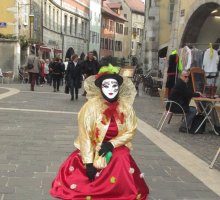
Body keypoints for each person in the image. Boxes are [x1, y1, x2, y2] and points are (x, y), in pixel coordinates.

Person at [50, 64, 149, 199]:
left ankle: (119, 191)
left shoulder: (125, 107)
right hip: (93, 147)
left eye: (114, 86)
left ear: (119, 88)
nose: (111, 89)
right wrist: (89, 163)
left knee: (121, 158)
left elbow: (131, 130)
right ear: (100, 88)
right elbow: (85, 135)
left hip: (116, 146)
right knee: (79, 166)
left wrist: (112, 144)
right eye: (106, 86)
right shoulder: (90, 107)